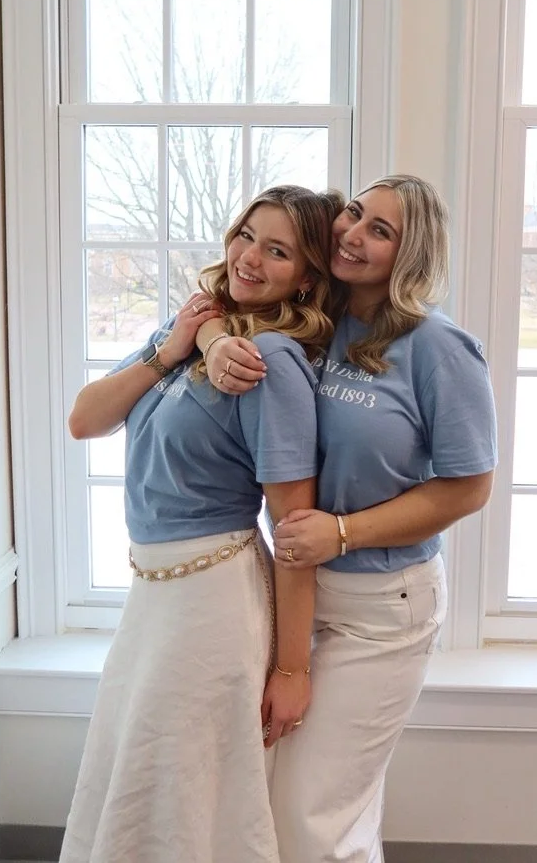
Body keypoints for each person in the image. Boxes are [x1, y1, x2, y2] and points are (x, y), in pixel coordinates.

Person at [196, 174, 498, 863]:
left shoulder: (438, 348)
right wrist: (214, 340)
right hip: (297, 598)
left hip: (382, 607)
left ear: (409, 253)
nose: (354, 234)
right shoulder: (317, 317)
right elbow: (217, 299)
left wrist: (342, 532)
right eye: (355, 215)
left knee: (310, 820)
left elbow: (468, 488)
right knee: (295, 806)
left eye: (380, 230)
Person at [59, 184, 344, 863]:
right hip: (154, 598)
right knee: (139, 779)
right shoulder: (189, 330)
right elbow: (84, 419)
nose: (250, 257)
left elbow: (295, 531)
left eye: (278, 251)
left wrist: (292, 669)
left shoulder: (268, 363)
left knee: (186, 790)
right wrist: (178, 344)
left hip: (211, 603)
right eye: (247, 235)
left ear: (305, 276)